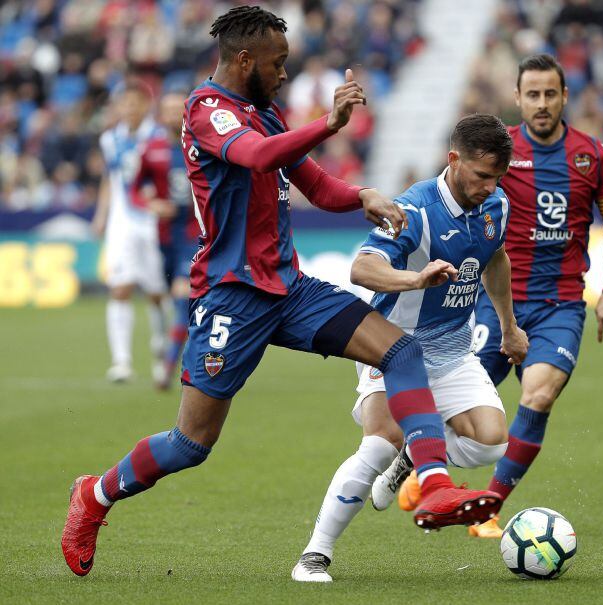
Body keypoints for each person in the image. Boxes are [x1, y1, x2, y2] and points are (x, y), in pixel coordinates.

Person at [61, 5, 502, 578]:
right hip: (231, 296)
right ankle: (94, 496)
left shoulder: (262, 113)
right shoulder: (207, 110)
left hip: (288, 288)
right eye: (278, 63)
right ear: (244, 60)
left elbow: (313, 183)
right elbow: (256, 156)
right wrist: (329, 122)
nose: (285, 74)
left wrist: (365, 194)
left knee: (401, 349)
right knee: (191, 443)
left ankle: (435, 483)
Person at [386, 53, 603, 538]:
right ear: (518, 98)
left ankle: (488, 507)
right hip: (494, 304)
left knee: (538, 396)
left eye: (550, 94)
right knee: (460, 407)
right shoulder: (494, 156)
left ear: (564, 96)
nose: (542, 104)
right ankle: (412, 459)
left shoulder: (594, 157)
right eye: (533, 95)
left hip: (561, 304)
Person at [292, 114, 530, 583]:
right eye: (482, 176)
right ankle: (314, 555)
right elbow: (362, 268)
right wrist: (414, 278)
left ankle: (414, 459)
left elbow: (495, 258)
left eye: (498, 177)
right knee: (380, 443)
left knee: (491, 443)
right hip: (393, 346)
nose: (490, 187)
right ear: (453, 159)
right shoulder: (414, 209)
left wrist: (508, 326)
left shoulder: (496, 206)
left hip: (453, 348)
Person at [92, 81, 169, 383]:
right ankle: (121, 361)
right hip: (122, 222)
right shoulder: (110, 139)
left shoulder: (162, 137)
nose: (129, 108)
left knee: (156, 292)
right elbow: (109, 179)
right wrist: (102, 215)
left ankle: (161, 350)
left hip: (153, 222)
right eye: (124, 103)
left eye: (135, 102)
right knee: (120, 287)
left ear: (146, 105)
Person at [129, 90, 201, 390]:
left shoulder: (201, 145)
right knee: (165, 298)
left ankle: (166, 367)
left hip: (192, 235)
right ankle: (166, 342)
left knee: (183, 296)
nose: (174, 114)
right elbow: (133, 189)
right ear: (161, 114)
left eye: (178, 109)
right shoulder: (152, 147)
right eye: (168, 109)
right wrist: (151, 204)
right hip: (162, 237)